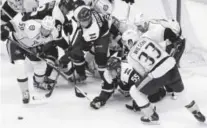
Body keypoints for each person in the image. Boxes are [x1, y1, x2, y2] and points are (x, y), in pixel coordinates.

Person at [121, 29, 206, 124]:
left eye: (125, 42)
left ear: (130, 41)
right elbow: (163, 42)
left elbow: (142, 72)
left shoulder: (130, 56)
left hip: (157, 73)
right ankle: (196, 111)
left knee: (134, 91)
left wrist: (154, 82)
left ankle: (151, 116)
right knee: (181, 92)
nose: (125, 45)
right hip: (171, 65)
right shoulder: (147, 38)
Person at [1, 15, 61, 103]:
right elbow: (12, 24)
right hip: (16, 43)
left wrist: (41, 48)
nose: (45, 31)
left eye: (48, 30)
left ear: (52, 29)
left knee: (41, 64)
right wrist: (4, 30)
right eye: (44, 28)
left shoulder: (54, 33)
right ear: (41, 25)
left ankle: (38, 83)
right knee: (20, 66)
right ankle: (25, 91)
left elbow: (50, 42)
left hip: (31, 46)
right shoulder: (31, 26)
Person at [59, 5, 121, 82]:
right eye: (81, 21)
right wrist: (67, 22)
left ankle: (108, 82)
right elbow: (83, 7)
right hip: (98, 26)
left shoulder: (93, 30)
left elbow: (85, 47)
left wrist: (69, 54)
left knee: (100, 59)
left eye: (84, 22)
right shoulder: (79, 11)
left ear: (89, 19)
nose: (82, 23)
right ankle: (81, 74)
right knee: (75, 51)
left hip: (102, 35)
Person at [90, 56, 167, 109]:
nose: (109, 73)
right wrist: (101, 99)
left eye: (111, 71)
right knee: (124, 88)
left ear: (118, 69)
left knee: (154, 95)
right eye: (109, 70)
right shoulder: (108, 73)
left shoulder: (130, 73)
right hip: (130, 83)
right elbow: (107, 90)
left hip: (148, 77)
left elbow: (144, 86)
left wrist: (140, 101)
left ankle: (161, 89)